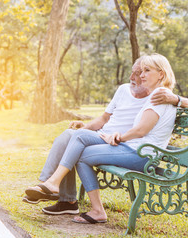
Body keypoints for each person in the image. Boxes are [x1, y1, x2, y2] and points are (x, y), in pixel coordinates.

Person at [23, 54, 178, 223]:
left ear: (161, 74)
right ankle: (87, 205)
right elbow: (130, 126)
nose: (141, 75)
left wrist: (118, 137)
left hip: (142, 155)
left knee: (80, 144)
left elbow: (141, 130)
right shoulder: (158, 94)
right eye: (140, 71)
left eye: (146, 71)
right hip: (134, 149)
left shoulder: (160, 96)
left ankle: (54, 184)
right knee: (79, 145)